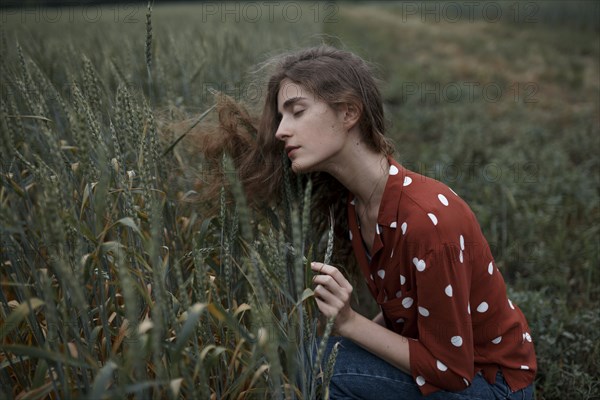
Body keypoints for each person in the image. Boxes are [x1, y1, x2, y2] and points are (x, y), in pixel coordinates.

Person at [203, 45, 537, 399]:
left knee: (317, 366)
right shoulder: (358, 205)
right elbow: (405, 317)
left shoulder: (429, 222)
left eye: (296, 112)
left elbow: (451, 371)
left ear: (348, 112)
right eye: (281, 117)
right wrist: (344, 332)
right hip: (454, 371)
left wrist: (349, 322)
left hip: (492, 384)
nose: (281, 131)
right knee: (318, 355)